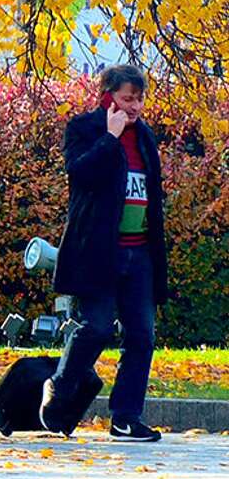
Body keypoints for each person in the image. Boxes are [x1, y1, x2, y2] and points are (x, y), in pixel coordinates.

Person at [46, 64, 166, 442]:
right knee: (95, 328)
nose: (135, 107)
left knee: (142, 336)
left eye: (140, 99)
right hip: (99, 253)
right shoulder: (83, 129)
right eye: (128, 98)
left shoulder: (145, 137)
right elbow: (79, 176)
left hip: (140, 253)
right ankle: (59, 387)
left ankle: (125, 417)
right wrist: (110, 139)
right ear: (108, 94)